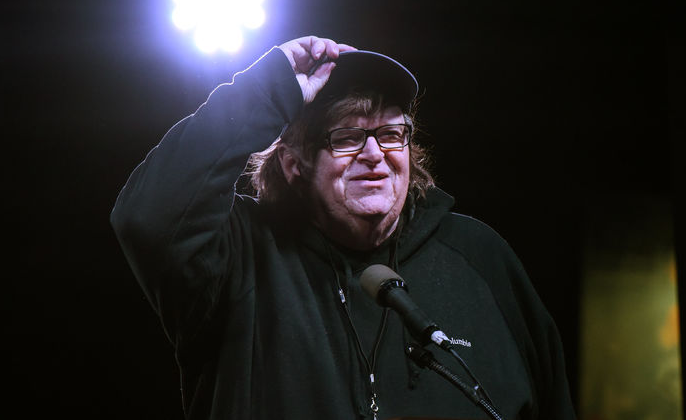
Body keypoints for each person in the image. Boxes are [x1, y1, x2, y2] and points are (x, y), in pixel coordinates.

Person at [110, 35, 576, 420]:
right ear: (294, 164)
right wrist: (266, 91)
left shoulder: (480, 256)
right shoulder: (243, 256)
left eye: (391, 134)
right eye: (347, 138)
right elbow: (150, 217)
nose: (375, 154)